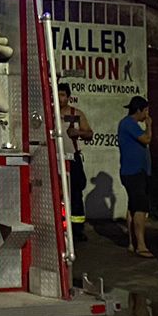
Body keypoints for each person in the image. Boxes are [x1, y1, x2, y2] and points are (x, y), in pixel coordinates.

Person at [118, 96, 153, 257]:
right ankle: (141, 245)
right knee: (140, 207)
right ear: (138, 110)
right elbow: (146, 139)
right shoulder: (129, 124)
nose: (146, 114)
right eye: (145, 110)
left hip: (137, 171)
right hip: (133, 172)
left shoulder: (130, 125)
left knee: (133, 206)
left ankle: (133, 243)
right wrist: (149, 127)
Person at [58, 83, 92, 241]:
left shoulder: (76, 114)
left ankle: (77, 229)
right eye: (57, 94)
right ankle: (57, 226)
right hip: (55, 159)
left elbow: (89, 133)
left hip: (72, 158)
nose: (60, 98)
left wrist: (77, 132)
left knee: (76, 193)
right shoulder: (48, 113)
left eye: (63, 94)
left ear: (69, 96)